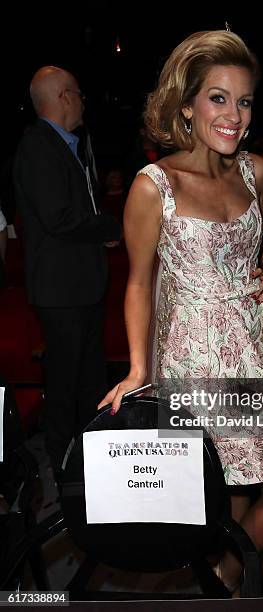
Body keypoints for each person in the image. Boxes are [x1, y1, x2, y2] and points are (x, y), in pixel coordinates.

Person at [98, 30, 263, 592]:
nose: (234, 114)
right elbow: (138, 283)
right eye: (218, 98)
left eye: (244, 101)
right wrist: (136, 369)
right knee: (260, 495)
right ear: (187, 105)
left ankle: (216, 580)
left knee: (262, 495)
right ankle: (217, 581)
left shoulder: (256, 171)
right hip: (196, 355)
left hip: (255, 344)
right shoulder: (156, 186)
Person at [13, 66, 121, 481]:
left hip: (79, 286)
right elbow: (60, 218)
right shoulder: (39, 146)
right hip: (61, 291)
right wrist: (111, 227)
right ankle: (64, 467)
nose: (81, 102)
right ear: (63, 97)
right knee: (65, 384)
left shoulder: (65, 145)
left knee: (87, 380)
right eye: (77, 94)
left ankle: (91, 458)